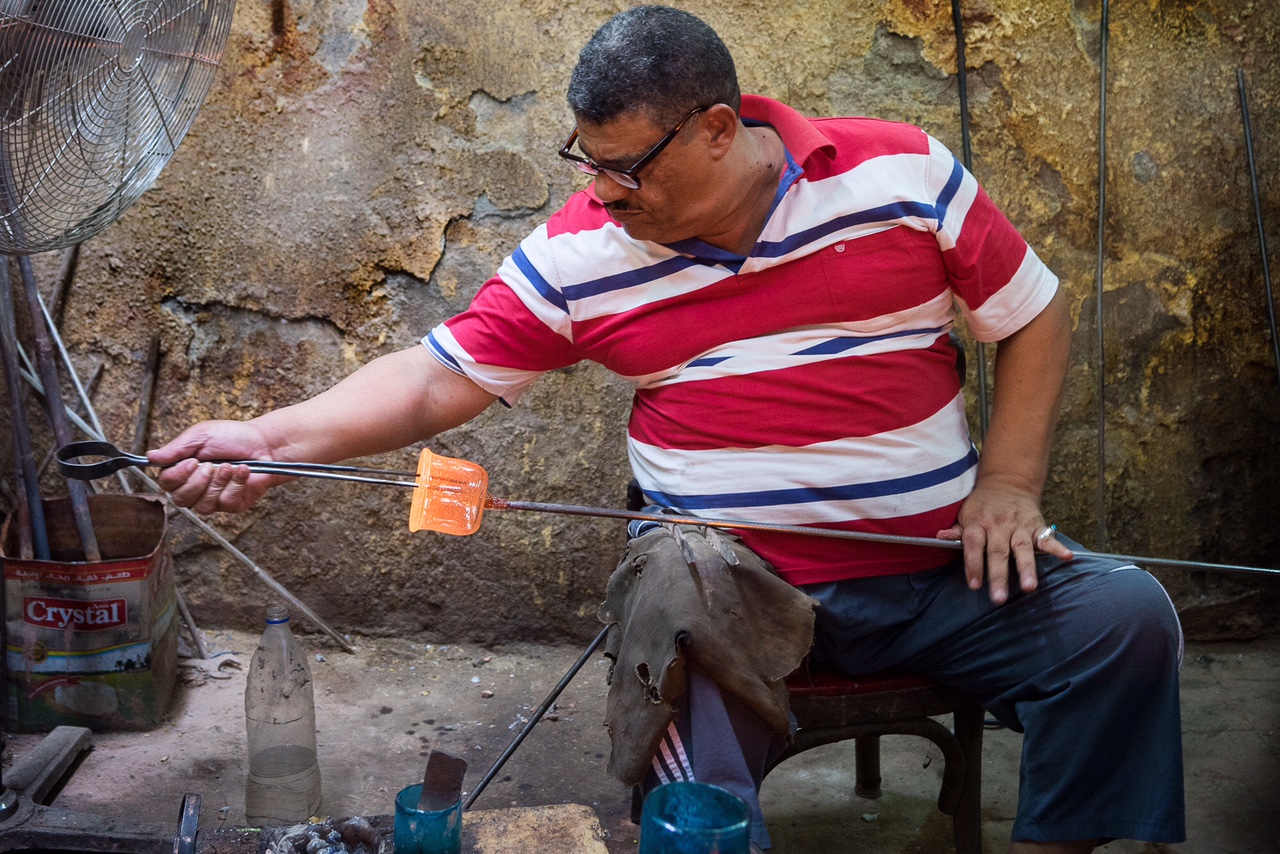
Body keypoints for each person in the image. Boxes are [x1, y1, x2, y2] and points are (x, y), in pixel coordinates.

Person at [152, 6, 1185, 852]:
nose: (604, 188)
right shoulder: (584, 250)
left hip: (931, 570)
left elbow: (1033, 310)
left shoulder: (903, 178)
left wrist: (1007, 480)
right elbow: (432, 380)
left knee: (1126, 615)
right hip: (731, 591)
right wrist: (269, 439)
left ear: (717, 129)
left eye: (627, 166)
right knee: (673, 580)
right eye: (588, 160)